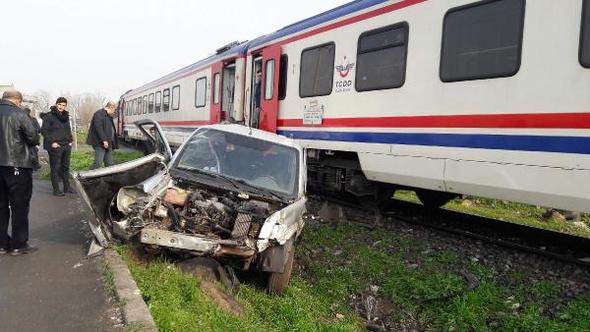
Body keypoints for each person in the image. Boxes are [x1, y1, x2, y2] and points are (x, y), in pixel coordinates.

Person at [0, 90, 40, 255]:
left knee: (1, 206)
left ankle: (2, 244)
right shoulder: (19, 114)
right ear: (17, 101)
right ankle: (19, 244)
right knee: (19, 206)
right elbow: (33, 138)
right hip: (17, 164)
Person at [41, 97, 74, 196]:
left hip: (66, 145)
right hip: (55, 146)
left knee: (65, 167)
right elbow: (44, 131)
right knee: (55, 168)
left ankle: (66, 187)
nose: (61, 107)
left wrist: (70, 141)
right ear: (56, 104)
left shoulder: (66, 116)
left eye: (63, 105)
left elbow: (68, 130)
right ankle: (56, 190)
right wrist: (52, 142)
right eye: (60, 104)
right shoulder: (49, 116)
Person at [87, 101, 118, 169]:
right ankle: (87, 176)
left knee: (109, 163)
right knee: (98, 163)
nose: (114, 112)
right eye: (114, 110)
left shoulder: (108, 116)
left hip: (108, 143)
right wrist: (104, 140)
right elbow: (99, 128)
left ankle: (110, 177)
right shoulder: (99, 114)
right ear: (111, 107)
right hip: (99, 143)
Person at [23, 107, 41, 172]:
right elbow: (39, 129)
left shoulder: (21, 119)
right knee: (33, 152)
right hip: (33, 139)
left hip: (26, 140)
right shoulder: (33, 119)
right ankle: (35, 166)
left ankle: (31, 166)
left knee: (30, 153)